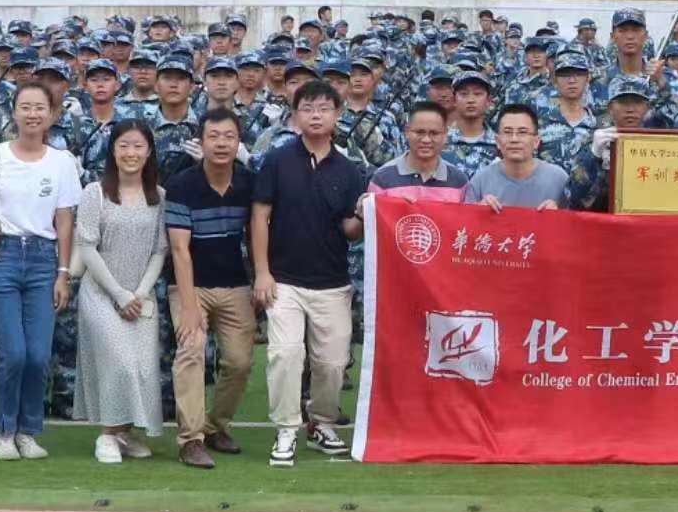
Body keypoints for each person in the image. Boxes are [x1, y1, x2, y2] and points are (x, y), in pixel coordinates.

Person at [251, 80, 367, 468]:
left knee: (332, 364)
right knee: (285, 355)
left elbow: (349, 230)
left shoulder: (349, 169)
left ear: (337, 114)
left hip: (333, 282)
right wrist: (262, 272)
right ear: (295, 115)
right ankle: (286, 428)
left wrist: (362, 217)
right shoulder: (277, 160)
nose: (316, 115)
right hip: (283, 280)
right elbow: (260, 216)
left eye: (323, 108)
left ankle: (321, 423)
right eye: (308, 108)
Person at [0, 81, 82, 461]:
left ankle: (28, 431)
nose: (33, 114)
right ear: (13, 112)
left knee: (38, 355)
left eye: (40, 108)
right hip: (2, 256)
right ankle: (3, 431)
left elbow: (64, 220)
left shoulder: (62, 162)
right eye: (25, 107)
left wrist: (63, 273)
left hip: (44, 260)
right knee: (13, 353)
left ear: (52, 114)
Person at [166, 108, 257, 470]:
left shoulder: (249, 182)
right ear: (201, 142)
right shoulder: (182, 184)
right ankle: (191, 439)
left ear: (238, 142)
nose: (221, 144)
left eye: (229, 137)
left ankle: (216, 426)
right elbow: (179, 250)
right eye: (213, 136)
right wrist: (190, 307)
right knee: (191, 350)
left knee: (240, 361)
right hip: (190, 285)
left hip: (235, 283)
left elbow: (256, 234)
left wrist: (260, 279)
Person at [74, 122, 167, 463]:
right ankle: (107, 434)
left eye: (138, 146)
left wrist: (139, 293)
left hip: (141, 295)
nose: (131, 153)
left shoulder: (159, 196)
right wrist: (119, 294)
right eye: (124, 145)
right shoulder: (95, 193)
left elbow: (159, 250)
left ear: (149, 151)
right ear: (113, 150)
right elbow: (87, 247)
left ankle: (124, 432)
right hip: (102, 293)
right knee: (119, 363)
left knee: (142, 368)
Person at [462, 105, 569, 212]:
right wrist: (478, 211)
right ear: (497, 141)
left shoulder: (559, 179)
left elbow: (574, 218)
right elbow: (465, 219)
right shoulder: (480, 181)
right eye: (507, 132)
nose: (514, 139)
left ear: (536, 141)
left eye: (522, 132)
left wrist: (559, 214)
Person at [369, 102, 468, 202]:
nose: (426, 140)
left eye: (434, 133)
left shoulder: (459, 182)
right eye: (420, 132)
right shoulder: (383, 178)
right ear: (407, 131)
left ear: (445, 135)